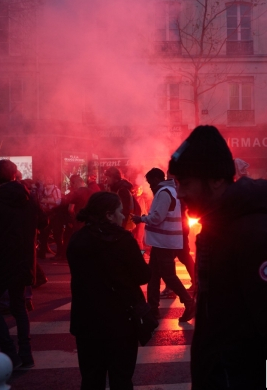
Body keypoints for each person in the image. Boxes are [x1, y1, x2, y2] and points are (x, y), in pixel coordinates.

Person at [168, 125, 267, 389]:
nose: (180, 192)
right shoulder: (218, 224)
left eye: (185, 183)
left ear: (216, 180)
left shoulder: (255, 233)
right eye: (177, 183)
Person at [67, 191, 150, 390]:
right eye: (120, 212)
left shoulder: (77, 239)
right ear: (108, 215)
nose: (124, 216)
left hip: (86, 321)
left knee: (91, 380)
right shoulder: (123, 240)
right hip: (121, 322)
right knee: (121, 379)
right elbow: (142, 276)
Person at [0, 160, 47, 369]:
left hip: (0, 260)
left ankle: (8, 350)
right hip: (24, 259)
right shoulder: (28, 197)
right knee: (19, 306)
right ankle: (25, 353)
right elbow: (43, 222)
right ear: (15, 174)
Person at [131, 168, 195, 322]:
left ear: (155, 179)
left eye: (150, 182)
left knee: (168, 275)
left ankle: (189, 303)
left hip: (164, 242)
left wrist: (142, 219)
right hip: (162, 241)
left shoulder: (164, 192)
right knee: (153, 275)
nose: (150, 186)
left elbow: (158, 217)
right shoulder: (170, 190)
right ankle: (152, 309)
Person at [38, 175, 64, 259]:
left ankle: (59, 254)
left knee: (57, 235)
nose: (48, 180)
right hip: (47, 214)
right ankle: (42, 253)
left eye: (50, 179)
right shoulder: (44, 190)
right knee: (44, 235)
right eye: (47, 179)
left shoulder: (55, 190)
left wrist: (46, 201)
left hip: (55, 215)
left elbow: (58, 202)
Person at [104, 167, 138, 231]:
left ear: (114, 178)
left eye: (108, 177)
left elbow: (124, 211)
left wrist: (121, 229)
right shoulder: (118, 189)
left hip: (125, 227)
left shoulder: (122, 190)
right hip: (121, 225)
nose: (106, 180)